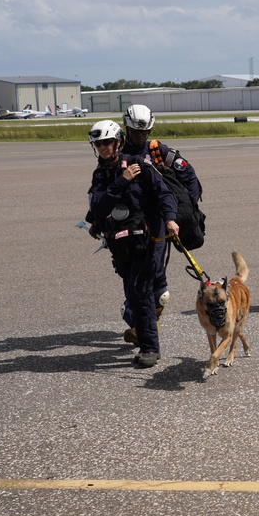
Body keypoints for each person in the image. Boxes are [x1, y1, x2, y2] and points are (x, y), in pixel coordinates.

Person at [86, 119, 179, 368]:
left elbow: (164, 194)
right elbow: (97, 207)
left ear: (118, 142)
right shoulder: (102, 175)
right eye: (98, 144)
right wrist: (121, 181)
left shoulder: (140, 165)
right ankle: (143, 337)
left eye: (106, 142)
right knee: (133, 292)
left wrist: (170, 220)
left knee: (141, 290)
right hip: (120, 245)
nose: (103, 148)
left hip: (144, 241)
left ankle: (150, 348)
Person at [119, 104, 201, 342]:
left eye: (143, 133)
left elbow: (189, 176)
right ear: (127, 128)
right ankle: (139, 321)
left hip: (156, 227)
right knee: (130, 275)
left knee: (157, 283)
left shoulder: (159, 152)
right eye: (134, 132)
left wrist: (183, 210)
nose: (138, 137)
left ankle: (147, 325)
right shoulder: (116, 152)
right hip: (127, 227)